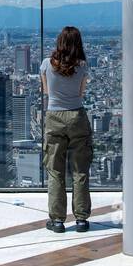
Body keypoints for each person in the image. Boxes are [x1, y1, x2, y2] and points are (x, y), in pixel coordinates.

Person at [40, 26, 94, 233]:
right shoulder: (82, 66)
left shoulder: (46, 64)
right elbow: (81, 93)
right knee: (80, 170)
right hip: (77, 116)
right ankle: (81, 218)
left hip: (54, 116)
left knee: (55, 170)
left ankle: (57, 220)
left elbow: (46, 91)